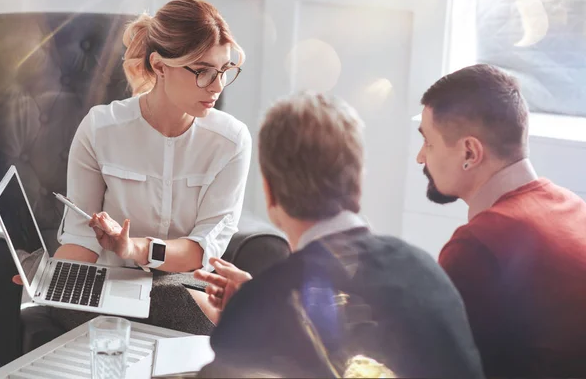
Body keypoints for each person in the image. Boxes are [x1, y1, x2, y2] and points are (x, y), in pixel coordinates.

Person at [193, 92, 484, 378]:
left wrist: (247, 314)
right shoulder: (425, 269)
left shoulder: (262, 306)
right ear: (358, 180)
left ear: (269, 193)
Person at [14, 0, 251, 334]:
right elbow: (83, 240)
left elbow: (201, 250)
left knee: (174, 299)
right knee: (75, 307)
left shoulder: (231, 141)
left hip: (183, 284)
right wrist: (46, 281)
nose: (217, 87)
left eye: (225, 71)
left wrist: (133, 247)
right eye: (203, 72)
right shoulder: (100, 128)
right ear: (159, 65)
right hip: (108, 286)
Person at [416, 64, 586, 377]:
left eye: (428, 142)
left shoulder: (477, 247)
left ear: (470, 151)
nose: (420, 157)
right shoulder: (575, 208)